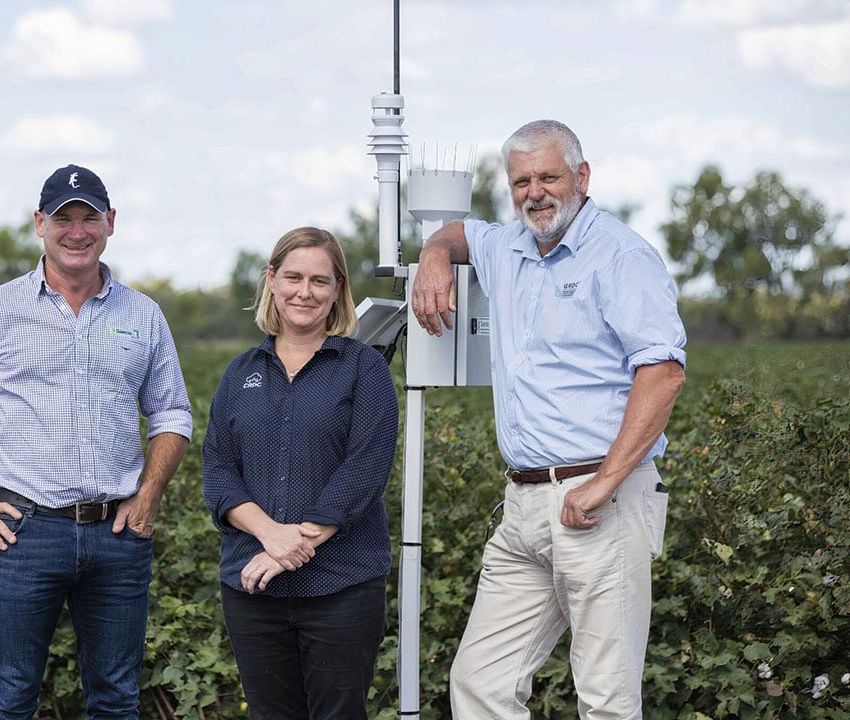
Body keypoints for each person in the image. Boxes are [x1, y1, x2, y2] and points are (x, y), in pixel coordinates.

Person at [411, 120, 687, 719]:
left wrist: (606, 482)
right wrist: (434, 253)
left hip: (599, 501)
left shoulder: (621, 255)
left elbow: (663, 373)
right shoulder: (506, 245)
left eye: (548, 177)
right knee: (481, 682)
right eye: (520, 181)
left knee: (606, 700)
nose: (534, 192)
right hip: (524, 509)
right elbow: (460, 233)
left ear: (582, 178)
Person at [0, 164, 192, 720]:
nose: (76, 231)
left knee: (116, 699)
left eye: (89, 219)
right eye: (63, 219)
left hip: (118, 533)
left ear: (110, 223)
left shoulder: (143, 314)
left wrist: (150, 490)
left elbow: (172, 411)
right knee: (10, 698)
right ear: (40, 224)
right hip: (22, 534)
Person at [202, 227, 399, 719]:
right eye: (292, 277)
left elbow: (366, 466)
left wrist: (298, 543)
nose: (304, 292)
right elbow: (219, 469)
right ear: (272, 280)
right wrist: (271, 536)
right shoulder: (239, 372)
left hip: (341, 587)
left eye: (319, 280)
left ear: (337, 290)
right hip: (253, 586)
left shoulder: (363, 368)